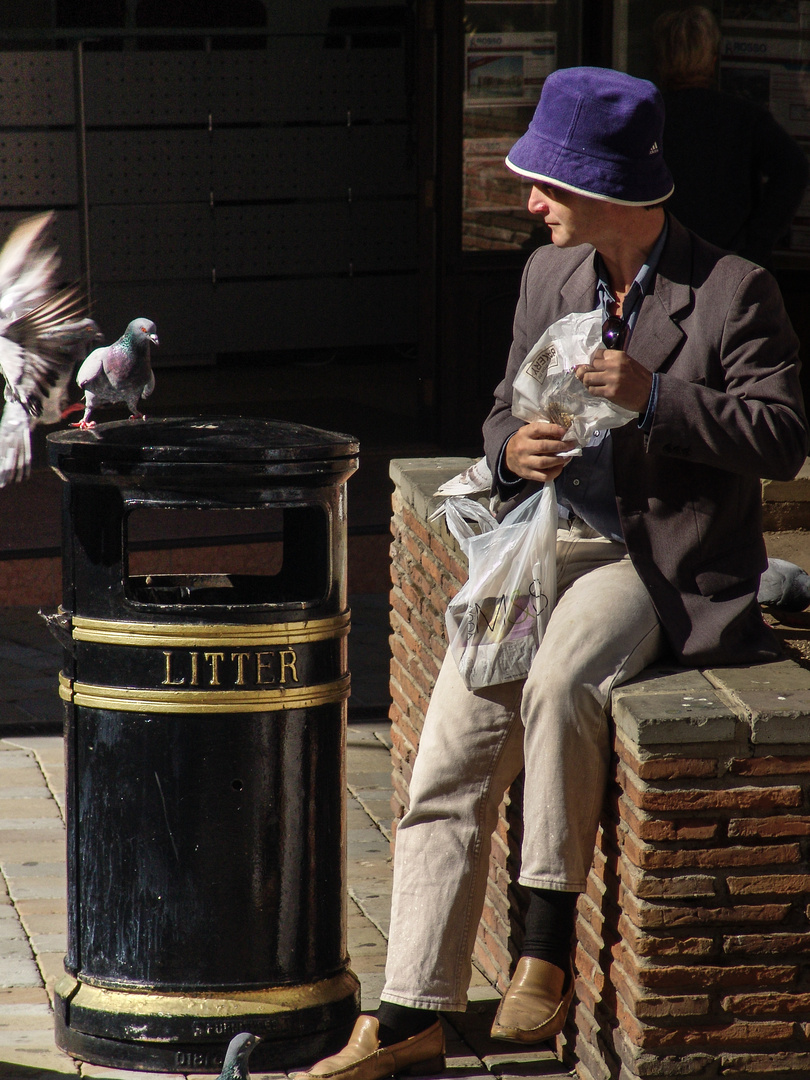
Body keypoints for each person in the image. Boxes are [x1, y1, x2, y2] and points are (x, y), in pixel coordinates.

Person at [295, 67, 808, 1080]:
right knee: (448, 758)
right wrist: (508, 454)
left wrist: (659, 395)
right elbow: (498, 409)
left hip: (653, 558)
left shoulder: (735, 290)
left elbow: (783, 435)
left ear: (609, 188)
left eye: (546, 185)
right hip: (543, 540)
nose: (530, 203)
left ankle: (543, 942)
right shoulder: (547, 277)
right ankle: (411, 1017)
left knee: (565, 678)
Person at [653, 5, 808, 268]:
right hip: (726, 264)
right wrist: (753, 246)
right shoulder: (743, 117)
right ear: (713, 59)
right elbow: (793, 168)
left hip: (660, 264)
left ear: (661, 60)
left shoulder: (646, 117)